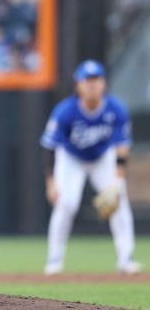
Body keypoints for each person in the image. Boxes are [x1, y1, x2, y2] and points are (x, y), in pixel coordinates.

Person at [40, 59, 142, 275]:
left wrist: (119, 180)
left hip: (102, 157)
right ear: (78, 85)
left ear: (104, 84)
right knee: (66, 204)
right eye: (87, 80)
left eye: (97, 79)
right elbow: (50, 147)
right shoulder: (65, 111)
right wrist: (51, 183)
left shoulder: (116, 109)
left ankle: (126, 258)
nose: (92, 84)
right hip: (71, 158)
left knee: (118, 200)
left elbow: (122, 147)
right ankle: (54, 259)